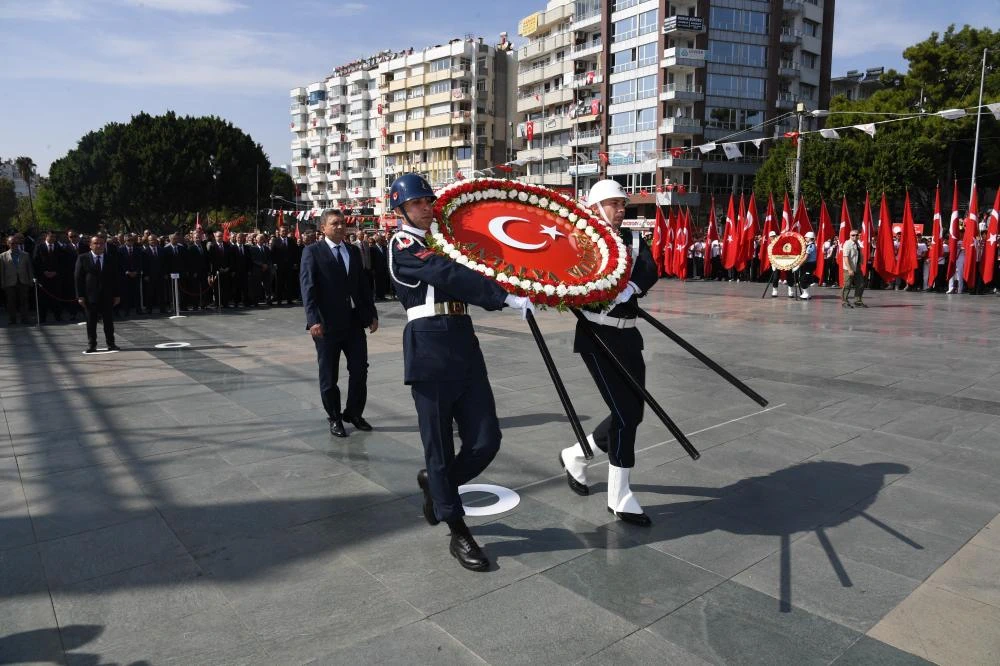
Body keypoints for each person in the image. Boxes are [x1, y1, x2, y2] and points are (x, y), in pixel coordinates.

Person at [388, 173, 532, 572]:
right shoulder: (403, 243)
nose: (426, 208)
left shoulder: (444, 244)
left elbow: (476, 265)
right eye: (417, 203)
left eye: (428, 201)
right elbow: (446, 276)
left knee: (487, 439)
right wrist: (502, 297)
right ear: (400, 209)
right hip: (428, 347)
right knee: (439, 446)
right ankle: (458, 531)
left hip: (463, 344)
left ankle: (437, 484)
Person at [559, 180, 658, 527]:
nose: (620, 210)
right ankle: (620, 496)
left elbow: (649, 268)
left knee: (633, 411)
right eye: (613, 204)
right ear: (597, 207)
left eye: (622, 205)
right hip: (595, 334)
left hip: (629, 336)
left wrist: (631, 286)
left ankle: (576, 454)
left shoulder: (632, 239)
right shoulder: (580, 240)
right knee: (625, 413)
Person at [300, 208, 378, 438]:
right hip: (327, 325)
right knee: (328, 375)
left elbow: (363, 286)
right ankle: (334, 417)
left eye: (343, 223)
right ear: (323, 227)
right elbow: (308, 288)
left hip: (354, 322)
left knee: (359, 370)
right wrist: (312, 319)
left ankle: (353, 412)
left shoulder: (353, 251)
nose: (340, 227)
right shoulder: (312, 252)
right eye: (335, 223)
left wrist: (372, 314)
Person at [75, 235, 120, 352]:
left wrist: (117, 295)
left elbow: (115, 278)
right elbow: (78, 278)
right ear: (90, 245)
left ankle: (111, 343)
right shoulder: (83, 258)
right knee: (91, 322)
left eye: (101, 243)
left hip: (107, 295)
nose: (99, 245)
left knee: (109, 322)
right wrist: (80, 296)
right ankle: (92, 344)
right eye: (96, 243)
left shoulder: (111, 258)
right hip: (90, 296)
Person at [0, 234, 34, 325]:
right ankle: (12, 319)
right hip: (9, 282)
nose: (14, 244)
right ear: (8, 244)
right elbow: (2, 271)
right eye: (12, 243)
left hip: (23, 281)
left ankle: (25, 319)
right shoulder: (2, 256)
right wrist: (2, 283)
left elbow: (29, 269)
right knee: (11, 302)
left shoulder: (25, 255)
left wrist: (31, 280)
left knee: (24, 301)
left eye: (16, 243)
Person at [33, 231, 63, 322]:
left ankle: (58, 316)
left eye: (54, 237)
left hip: (56, 277)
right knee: (42, 298)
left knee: (57, 297)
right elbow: (35, 261)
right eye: (51, 236)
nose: (52, 238)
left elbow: (63, 262)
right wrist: (43, 272)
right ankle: (42, 317)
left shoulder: (59, 247)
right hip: (43, 277)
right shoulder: (39, 247)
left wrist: (56, 272)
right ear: (46, 237)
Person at [118, 233, 144, 316]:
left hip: (136, 274)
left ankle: (138, 310)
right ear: (125, 241)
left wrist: (137, 271)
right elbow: (119, 263)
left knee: (137, 293)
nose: (130, 242)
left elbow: (141, 262)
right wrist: (127, 272)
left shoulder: (138, 249)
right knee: (126, 293)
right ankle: (126, 310)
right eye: (129, 240)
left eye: (132, 240)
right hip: (125, 275)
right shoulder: (120, 250)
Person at [841, 229, 867, 308]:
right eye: (853, 235)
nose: (855, 236)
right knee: (847, 285)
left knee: (861, 284)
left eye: (856, 235)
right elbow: (845, 257)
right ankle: (844, 302)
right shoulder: (848, 244)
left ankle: (857, 301)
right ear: (850, 236)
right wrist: (849, 269)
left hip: (857, 267)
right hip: (849, 267)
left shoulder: (857, 244)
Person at [798, 231, 817, 300]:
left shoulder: (811, 246)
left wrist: (798, 265)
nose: (805, 238)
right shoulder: (808, 245)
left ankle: (806, 294)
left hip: (809, 265)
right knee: (802, 279)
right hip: (806, 265)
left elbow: (805, 258)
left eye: (806, 237)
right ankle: (806, 293)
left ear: (810, 238)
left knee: (804, 279)